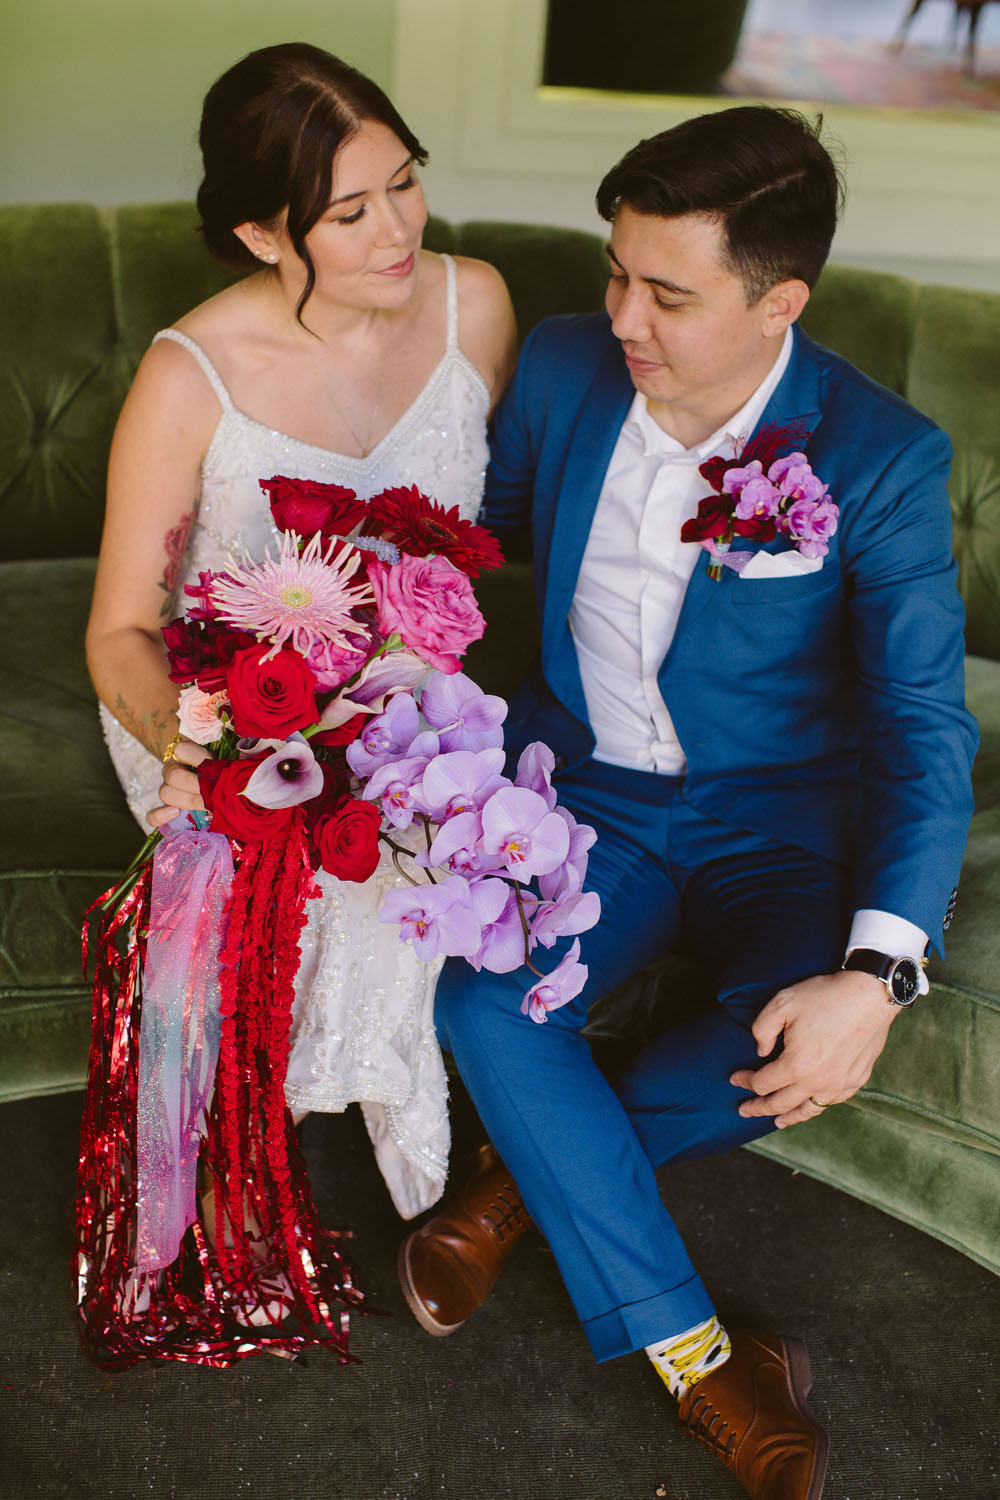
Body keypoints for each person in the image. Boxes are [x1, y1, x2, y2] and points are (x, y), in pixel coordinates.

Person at [396, 107, 977, 1499]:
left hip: (783, 827)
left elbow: (920, 722)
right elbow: (486, 548)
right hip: (584, 797)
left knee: (786, 1056)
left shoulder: (883, 458)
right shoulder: (561, 367)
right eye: (615, 273)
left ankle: (508, 1194)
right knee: (484, 1003)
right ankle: (709, 1366)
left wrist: (880, 976)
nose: (623, 316)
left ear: (781, 300)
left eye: (667, 293)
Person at [84, 42, 516, 1351]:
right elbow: (118, 631)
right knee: (295, 870)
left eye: (405, 185)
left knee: (441, 849)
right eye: (348, 212)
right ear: (261, 231)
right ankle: (289, 1135)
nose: (396, 231)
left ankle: (410, 1117)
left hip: (410, 705)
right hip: (224, 703)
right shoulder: (190, 374)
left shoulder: (476, 306)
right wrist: (191, 743)